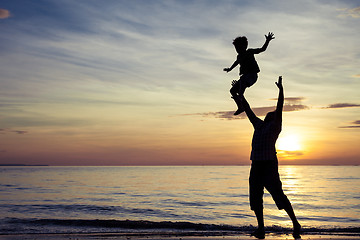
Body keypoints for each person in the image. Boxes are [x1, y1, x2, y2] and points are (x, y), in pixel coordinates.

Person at [233, 76, 301, 239]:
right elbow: (248, 110)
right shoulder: (259, 125)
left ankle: (295, 224)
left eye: (272, 115)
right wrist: (241, 94)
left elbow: (280, 107)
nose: (270, 115)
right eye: (270, 115)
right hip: (256, 165)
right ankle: (261, 229)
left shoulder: (275, 126)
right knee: (256, 197)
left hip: (269, 165)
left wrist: (281, 91)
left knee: (279, 195)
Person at [224, 32, 275, 115]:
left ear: (245, 46)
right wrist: (230, 69)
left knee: (243, 80)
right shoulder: (239, 56)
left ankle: (240, 96)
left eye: (239, 47)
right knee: (232, 90)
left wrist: (267, 41)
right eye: (236, 48)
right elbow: (236, 62)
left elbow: (262, 49)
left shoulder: (249, 52)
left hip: (252, 75)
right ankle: (240, 107)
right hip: (244, 76)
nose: (237, 50)